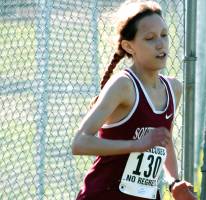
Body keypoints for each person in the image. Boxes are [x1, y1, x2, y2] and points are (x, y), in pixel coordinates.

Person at [72, 1, 197, 199]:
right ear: (129, 46)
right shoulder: (124, 85)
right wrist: (137, 145)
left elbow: (164, 141)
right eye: (150, 38)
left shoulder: (174, 88)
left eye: (164, 35)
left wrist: (173, 181)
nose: (160, 44)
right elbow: (80, 143)